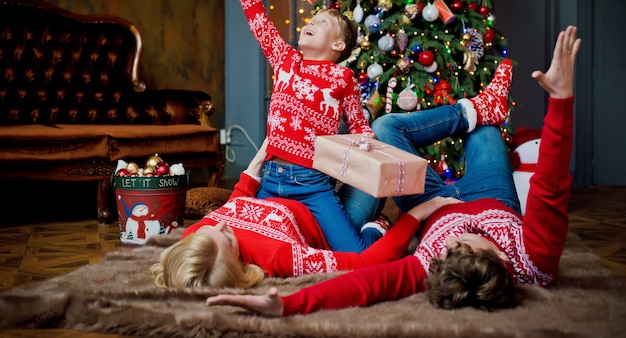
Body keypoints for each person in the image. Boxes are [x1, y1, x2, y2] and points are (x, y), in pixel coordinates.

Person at [204, 25, 581, 314]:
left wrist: (289, 304)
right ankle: (479, 113)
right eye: (459, 245)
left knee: (384, 129)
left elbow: (363, 283)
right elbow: (551, 188)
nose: (451, 239)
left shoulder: (434, 265)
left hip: (434, 201)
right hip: (493, 195)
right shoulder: (534, 257)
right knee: (485, 131)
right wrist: (561, 100)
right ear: (499, 258)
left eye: (445, 250)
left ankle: (473, 110)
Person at [212, 0, 383, 253]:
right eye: (312, 19)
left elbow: (359, 126)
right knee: (244, 244)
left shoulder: (343, 78)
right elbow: (259, 22)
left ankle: (377, 227)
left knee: (354, 253)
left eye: (322, 22)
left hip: (313, 184)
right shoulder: (287, 60)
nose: (311, 22)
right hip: (272, 179)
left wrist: (369, 149)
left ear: (339, 46)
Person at [150, 138, 461, 289]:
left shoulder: (196, 238)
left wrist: (260, 156)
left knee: (363, 147)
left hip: (282, 192)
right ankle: (374, 228)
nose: (221, 225)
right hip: (329, 221)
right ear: (239, 265)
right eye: (228, 238)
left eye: (210, 228)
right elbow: (367, 264)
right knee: (382, 164)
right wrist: (421, 211)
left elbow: (236, 203)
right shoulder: (278, 258)